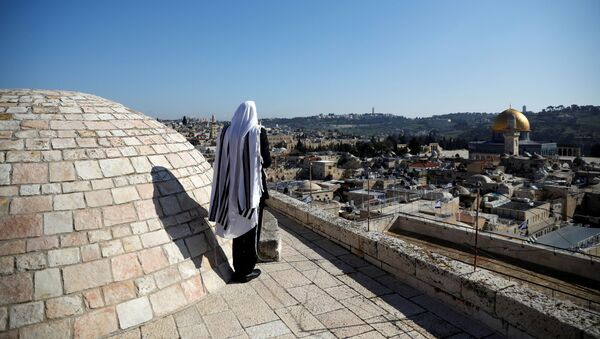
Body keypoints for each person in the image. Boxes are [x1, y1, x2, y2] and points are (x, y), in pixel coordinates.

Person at [209, 101, 271, 283]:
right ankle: (246, 270)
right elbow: (266, 162)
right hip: (251, 191)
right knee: (251, 228)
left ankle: (238, 267)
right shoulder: (258, 132)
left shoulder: (227, 132)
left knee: (237, 228)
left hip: (230, 189)